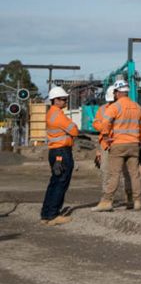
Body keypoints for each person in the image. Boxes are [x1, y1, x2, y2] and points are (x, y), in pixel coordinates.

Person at [92, 80, 141, 212]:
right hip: (134, 145)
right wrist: (138, 142)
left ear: (117, 93)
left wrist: (105, 136)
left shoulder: (115, 107)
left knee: (114, 174)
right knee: (134, 174)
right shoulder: (138, 108)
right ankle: (137, 201)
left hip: (118, 144)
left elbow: (105, 123)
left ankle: (107, 201)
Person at [41, 86, 78, 226]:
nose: (65, 101)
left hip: (55, 152)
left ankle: (46, 214)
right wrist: (72, 126)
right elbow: (74, 131)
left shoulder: (51, 113)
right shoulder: (58, 115)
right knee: (61, 182)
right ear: (55, 100)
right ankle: (53, 215)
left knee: (54, 183)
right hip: (61, 152)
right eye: (63, 99)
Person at [93, 85, 132, 206]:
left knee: (126, 171)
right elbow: (96, 123)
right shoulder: (102, 109)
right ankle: (106, 197)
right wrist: (106, 127)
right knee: (106, 170)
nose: (111, 103)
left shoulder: (124, 108)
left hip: (120, 142)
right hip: (106, 144)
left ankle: (129, 197)